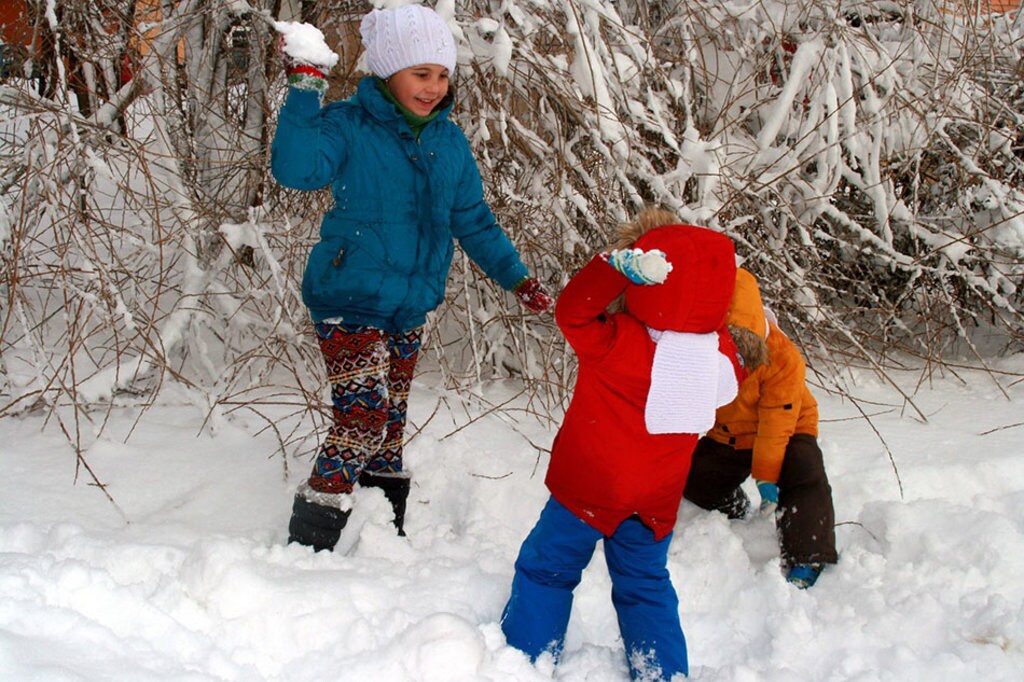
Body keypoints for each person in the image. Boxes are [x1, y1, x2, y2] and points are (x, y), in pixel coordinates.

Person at [271, 5, 553, 551]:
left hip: (409, 304)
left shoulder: (448, 143)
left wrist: (518, 280)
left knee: (389, 420)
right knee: (362, 417)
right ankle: (310, 539)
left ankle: (381, 532)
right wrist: (306, 89)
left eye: (442, 75)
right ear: (389, 74)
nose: (434, 87)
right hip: (348, 297)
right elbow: (295, 168)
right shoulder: (349, 125)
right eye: (421, 74)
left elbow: (474, 222)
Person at [500, 209, 749, 681]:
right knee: (645, 585)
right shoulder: (718, 361)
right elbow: (718, 333)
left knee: (547, 570)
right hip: (654, 502)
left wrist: (613, 268)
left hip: (587, 491)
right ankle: (662, 673)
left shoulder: (618, 343)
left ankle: (524, 660)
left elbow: (570, 310)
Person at [683, 268, 838, 588]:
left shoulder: (782, 357)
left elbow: (776, 423)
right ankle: (737, 510)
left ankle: (809, 554)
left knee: (804, 475)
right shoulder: (701, 347)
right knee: (695, 478)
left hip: (790, 428)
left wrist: (767, 476)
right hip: (729, 433)